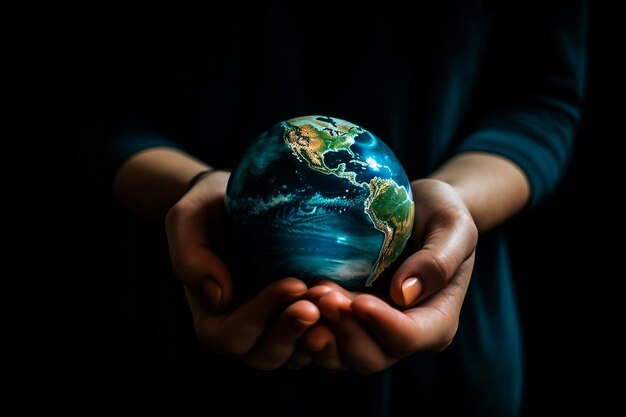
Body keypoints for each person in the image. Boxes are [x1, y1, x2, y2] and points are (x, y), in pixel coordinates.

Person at [65, 2, 587, 415]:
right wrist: (190, 189)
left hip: (443, 377)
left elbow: (541, 96)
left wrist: (457, 204)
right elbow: (95, 100)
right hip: (181, 343)